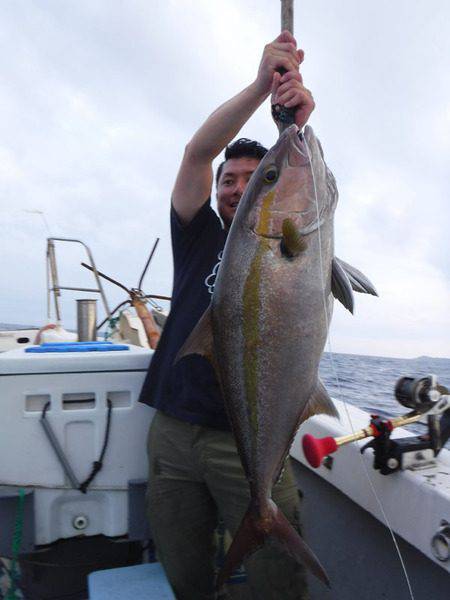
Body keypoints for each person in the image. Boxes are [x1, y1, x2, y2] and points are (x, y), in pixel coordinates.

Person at [139, 31, 315, 600]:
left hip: (248, 442)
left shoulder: (291, 242)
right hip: (173, 429)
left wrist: (295, 128)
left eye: (252, 178)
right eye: (228, 180)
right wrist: (260, 84)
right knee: (182, 564)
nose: (237, 188)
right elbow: (196, 153)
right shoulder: (197, 236)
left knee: (277, 579)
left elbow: (304, 187)